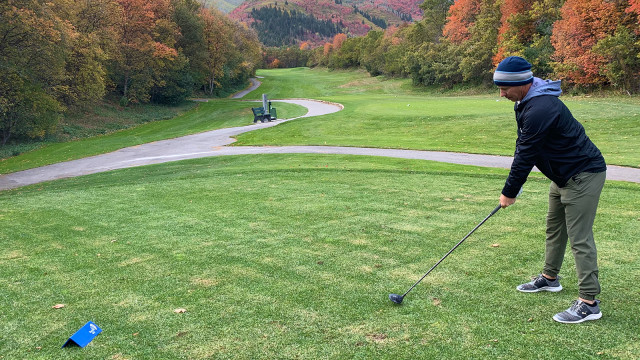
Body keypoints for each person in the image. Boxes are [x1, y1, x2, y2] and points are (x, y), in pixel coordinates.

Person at [493, 56, 607, 324]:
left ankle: (589, 303)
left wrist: (510, 191)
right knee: (554, 228)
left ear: (522, 84)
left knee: (580, 238)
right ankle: (549, 278)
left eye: (504, 88)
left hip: (584, 174)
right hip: (562, 176)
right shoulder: (527, 101)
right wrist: (515, 187)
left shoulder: (541, 107)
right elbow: (524, 147)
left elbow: (525, 155)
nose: (501, 93)